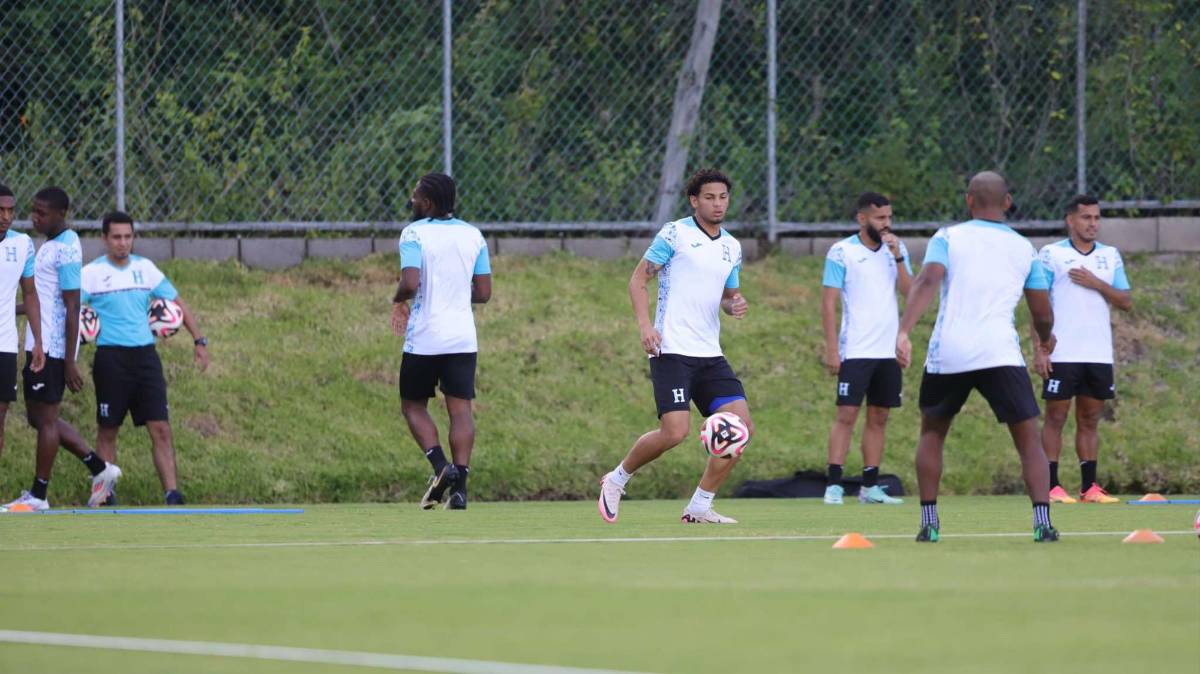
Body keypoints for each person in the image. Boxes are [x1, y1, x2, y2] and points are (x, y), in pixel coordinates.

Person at [896, 171, 1059, 543]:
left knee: (933, 432)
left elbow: (927, 281)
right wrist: (1045, 340)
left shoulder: (948, 237)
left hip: (950, 350)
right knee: (1029, 440)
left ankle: (929, 522)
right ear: (1007, 202)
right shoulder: (1024, 248)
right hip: (1000, 351)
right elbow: (1043, 313)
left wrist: (904, 331)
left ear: (969, 201)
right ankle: (1042, 523)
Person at [599, 168, 751, 525]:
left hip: (710, 355)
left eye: (723, 197)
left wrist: (735, 305)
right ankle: (617, 479)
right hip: (672, 351)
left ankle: (700, 505)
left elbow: (728, 298)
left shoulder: (732, 246)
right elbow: (638, 280)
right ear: (694, 200)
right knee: (675, 432)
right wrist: (644, 326)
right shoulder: (675, 233)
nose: (718, 204)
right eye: (710, 197)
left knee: (741, 428)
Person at [3, 187, 120, 512]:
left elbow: (72, 307)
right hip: (40, 344)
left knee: (47, 419)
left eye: (41, 213)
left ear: (60, 215)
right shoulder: (50, 245)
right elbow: (39, 299)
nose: (34, 217)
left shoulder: (67, 248)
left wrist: (69, 360)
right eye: (34, 211)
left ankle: (39, 495)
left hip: (52, 348)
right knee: (39, 418)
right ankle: (100, 468)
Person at [80, 211, 208, 505]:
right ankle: (104, 493)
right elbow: (71, 310)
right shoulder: (92, 273)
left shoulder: (146, 269)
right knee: (108, 429)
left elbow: (177, 303)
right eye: (116, 237)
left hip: (146, 358)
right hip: (111, 358)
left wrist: (199, 340)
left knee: (160, 427)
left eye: (128, 237)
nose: (122, 243)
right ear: (104, 239)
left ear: (133, 238)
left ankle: (172, 494)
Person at [392, 173, 491, 511]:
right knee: (460, 410)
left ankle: (440, 467)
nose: (412, 202)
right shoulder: (473, 236)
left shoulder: (414, 233)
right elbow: (484, 292)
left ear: (428, 203)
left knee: (413, 405)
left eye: (415, 197)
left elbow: (409, 282)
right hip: (462, 337)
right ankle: (460, 490)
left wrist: (397, 299)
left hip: (424, 337)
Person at [1033, 195, 1132, 504]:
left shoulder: (1110, 256)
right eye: (1086, 218)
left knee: (1090, 418)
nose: (1093, 224)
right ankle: (1051, 485)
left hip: (1097, 352)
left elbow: (1126, 301)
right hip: (1062, 351)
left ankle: (1090, 487)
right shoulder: (1051, 254)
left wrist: (1096, 283)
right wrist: (1040, 348)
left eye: (1097, 218)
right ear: (1070, 220)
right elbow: (1039, 303)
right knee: (1056, 417)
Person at [820, 192, 911, 505]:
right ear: (862, 219)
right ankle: (834, 484)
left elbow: (910, 293)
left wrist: (898, 256)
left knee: (879, 416)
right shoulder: (841, 252)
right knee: (846, 413)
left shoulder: (896, 251)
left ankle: (870, 486)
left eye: (889, 218)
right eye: (880, 218)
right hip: (855, 350)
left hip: (887, 353)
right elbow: (828, 303)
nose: (886, 224)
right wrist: (833, 349)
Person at [0, 184, 44, 511]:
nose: (6, 217)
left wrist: (38, 340)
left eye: (10, 210)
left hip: (4, 344)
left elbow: (29, 295)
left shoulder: (22, 245)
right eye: (0, 211)